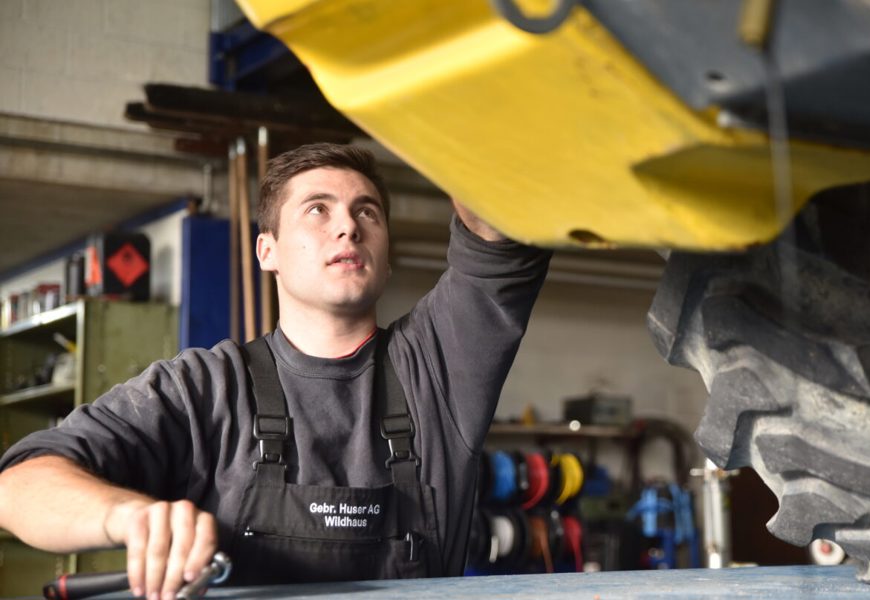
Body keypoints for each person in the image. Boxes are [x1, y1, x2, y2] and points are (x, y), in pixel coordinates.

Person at [0, 143, 551, 598]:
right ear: (267, 251)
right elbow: (18, 485)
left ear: (386, 254)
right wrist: (130, 516)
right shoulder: (205, 389)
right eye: (318, 209)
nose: (348, 229)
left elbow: (496, 234)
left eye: (367, 212)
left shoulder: (436, 366)